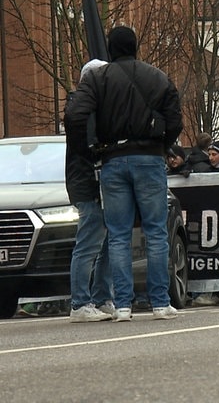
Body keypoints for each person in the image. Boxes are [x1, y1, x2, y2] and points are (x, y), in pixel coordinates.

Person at [67, 26, 183, 320]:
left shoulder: (97, 78)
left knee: (117, 235)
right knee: (156, 231)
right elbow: (175, 121)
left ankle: (122, 305)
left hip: (113, 160)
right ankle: (159, 302)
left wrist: (88, 149)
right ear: (136, 46)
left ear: (110, 49)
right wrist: (162, 144)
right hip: (150, 158)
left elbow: (75, 115)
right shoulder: (159, 77)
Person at [63, 59, 114, 323]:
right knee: (90, 242)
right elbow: (90, 147)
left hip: (91, 181)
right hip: (88, 182)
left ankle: (101, 297)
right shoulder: (83, 110)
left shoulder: (83, 107)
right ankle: (81, 302)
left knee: (104, 242)